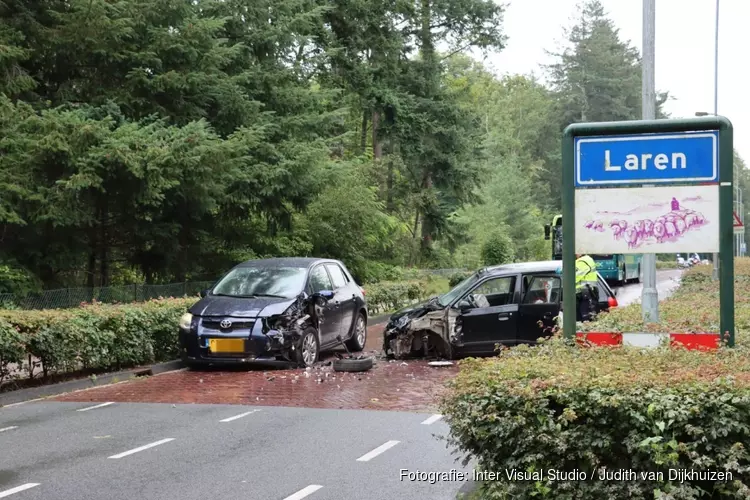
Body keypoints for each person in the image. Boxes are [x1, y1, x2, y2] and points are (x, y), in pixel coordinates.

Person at [575, 253, 599, 321]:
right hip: (588, 293)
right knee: (587, 318)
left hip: (584, 294)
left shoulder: (582, 261)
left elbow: (572, 277)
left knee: (584, 319)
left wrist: (564, 272)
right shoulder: (587, 260)